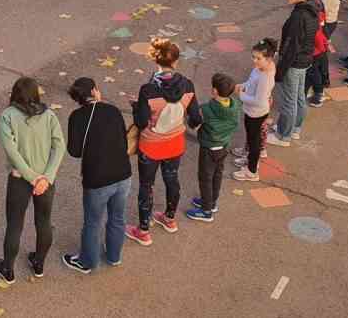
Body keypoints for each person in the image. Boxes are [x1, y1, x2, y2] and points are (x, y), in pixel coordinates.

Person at [125, 38, 201, 246]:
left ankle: (143, 230)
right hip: (175, 143)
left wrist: (136, 106)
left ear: (155, 61)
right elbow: (196, 118)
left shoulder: (148, 90)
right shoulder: (188, 85)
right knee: (172, 179)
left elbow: (141, 122)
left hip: (151, 146)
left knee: (146, 186)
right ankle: (169, 218)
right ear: (176, 62)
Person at [0, 77, 65, 285]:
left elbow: (12, 152)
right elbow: (59, 146)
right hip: (45, 181)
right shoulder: (49, 115)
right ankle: (39, 263)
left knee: (15, 225)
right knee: (44, 222)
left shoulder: (7, 116)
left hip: (19, 180)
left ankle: (8, 269)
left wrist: (31, 177)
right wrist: (46, 177)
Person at [61, 77, 132, 274]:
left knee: (93, 222)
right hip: (123, 174)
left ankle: (88, 261)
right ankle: (114, 256)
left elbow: (75, 151)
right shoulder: (112, 110)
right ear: (94, 91)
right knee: (117, 218)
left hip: (97, 179)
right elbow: (124, 141)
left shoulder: (76, 117)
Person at [266, 0, 319, 147]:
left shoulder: (299, 15)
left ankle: (283, 136)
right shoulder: (312, 8)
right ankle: (294, 128)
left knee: (289, 100)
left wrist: (280, 70)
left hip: (294, 62)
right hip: (305, 59)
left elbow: (291, 45)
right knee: (299, 97)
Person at [185, 73, 241, 222]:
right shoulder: (235, 106)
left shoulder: (206, 109)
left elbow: (193, 123)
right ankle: (211, 201)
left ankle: (206, 211)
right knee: (217, 174)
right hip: (223, 146)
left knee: (205, 178)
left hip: (209, 147)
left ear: (215, 91)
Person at [232, 39, 277, 182]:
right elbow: (251, 81)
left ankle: (251, 171)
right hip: (250, 110)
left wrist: (241, 95)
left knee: (254, 140)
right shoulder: (260, 68)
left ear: (269, 59)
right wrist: (243, 86)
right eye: (253, 57)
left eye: (258, 58)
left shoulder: (266, 76)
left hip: (256, 113)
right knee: (251, 137)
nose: (255, 61)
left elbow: (259, 101)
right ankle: (248, 154)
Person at [307, 0, 339, 108]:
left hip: (326, 25)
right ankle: (321, 83)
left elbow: (319, 8)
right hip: (321, 24)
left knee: (318, 57)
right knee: (319, 56)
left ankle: (319, 91)